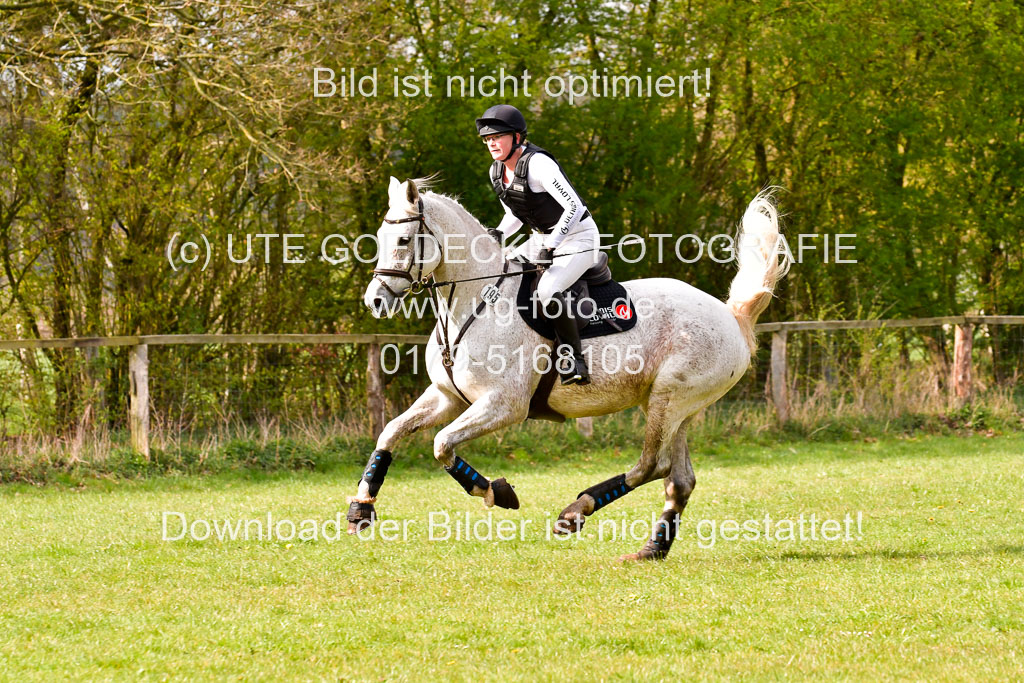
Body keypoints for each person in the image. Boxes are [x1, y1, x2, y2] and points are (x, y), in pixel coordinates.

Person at [476, 104, 599, 385]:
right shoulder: (497, 171)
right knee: (501, 273)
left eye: (498, 136)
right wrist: (498, 234)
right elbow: (514, 215)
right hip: (541, 238)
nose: (491, 142)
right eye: (487, 139)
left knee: (547, 289)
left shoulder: (539, 165)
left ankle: (573, 359)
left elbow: (574, 206)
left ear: (517, 137)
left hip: (579, 237)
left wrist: (551, 246)